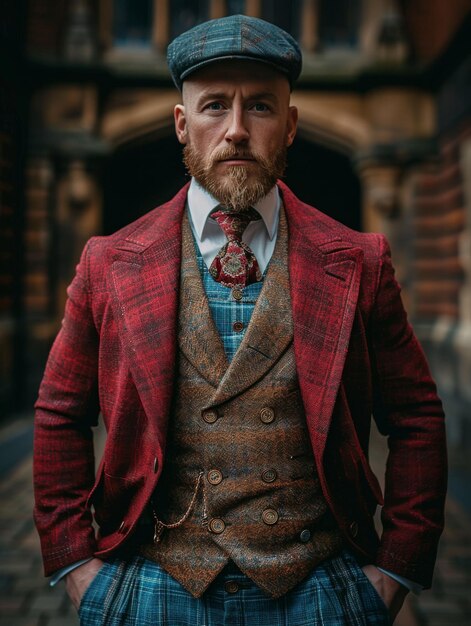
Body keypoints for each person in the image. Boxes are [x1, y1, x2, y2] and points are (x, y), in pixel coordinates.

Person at [33, 14, 447, 626]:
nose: (235, 130)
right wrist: (80, 572)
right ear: (181, 124)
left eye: (259, 107)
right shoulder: (109, 262)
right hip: (154, 585)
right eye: (213, 107)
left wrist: (392, 574)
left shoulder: (360, 261)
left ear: (291, 123)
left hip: (320, 591)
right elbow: (60, 414)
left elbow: (416, 416)